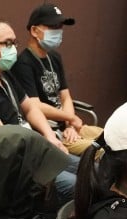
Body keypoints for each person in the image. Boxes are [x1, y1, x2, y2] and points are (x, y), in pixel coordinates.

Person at [0, 20, 78, 202]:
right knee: (77, 185)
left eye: (14, 43)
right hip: (13, 163)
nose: (13, 48)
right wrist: (43, 146)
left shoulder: (5, 76)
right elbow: (4, 140)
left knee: (89, 170)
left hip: (31, 149)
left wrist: (50, 137)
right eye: (7, 43)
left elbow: (30, 108)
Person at [10, 4, 103, 156]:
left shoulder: (54, 57)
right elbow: (34, 106)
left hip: (68, 126)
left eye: (60, 27)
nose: (58, 32)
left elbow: (65, 97)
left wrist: (70, 126)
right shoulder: (23, 63)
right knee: (102, 152)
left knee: (114, 138)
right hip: (49, 130)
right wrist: (71, 118)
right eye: (53, 27)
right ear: (34, 31)